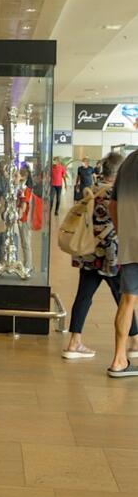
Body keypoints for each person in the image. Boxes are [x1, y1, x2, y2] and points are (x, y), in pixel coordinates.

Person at [63, 154, 137, 359]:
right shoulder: (116, 193)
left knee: (84, 297)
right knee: (125, 298)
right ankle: (135, 340)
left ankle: (74, 341)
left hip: (89, 254)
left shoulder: (91, 191)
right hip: (111, 256)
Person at [108, 149, 138, 377]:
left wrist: (123, 233)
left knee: (127, 300)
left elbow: (113, 205)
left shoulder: (128, 161)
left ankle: (119, 360)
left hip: (130, 243)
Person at [16, 166, 33, 272]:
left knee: (26, 242)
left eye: (16, 175)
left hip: (25, 219)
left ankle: (28, 265)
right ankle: (26, 264)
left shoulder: (26, 189)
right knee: (24, 242)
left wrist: (19, 217)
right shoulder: (21, 188)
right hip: (23, 219)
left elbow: (24, 205)